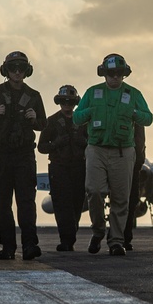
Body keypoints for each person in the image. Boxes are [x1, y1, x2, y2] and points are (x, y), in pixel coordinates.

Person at [73, 53, 153, 257]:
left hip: (123, 152)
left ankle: (116, 241)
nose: (115, 77)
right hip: (96, 149)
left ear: (124, 74)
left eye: (119, 73)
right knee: (94, 190)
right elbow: (76, 117)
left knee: (121, 198)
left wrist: (135, 114)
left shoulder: (133, 94)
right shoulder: (92, 93)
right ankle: (98, 230)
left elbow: (148, 118)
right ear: (104, 74)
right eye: (111, 73)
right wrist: (90, 112)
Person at [0, 51, 46, 261]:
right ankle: (7, 246)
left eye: (21, 68)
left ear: (27, 71)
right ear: (6, 70)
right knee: (2, 202)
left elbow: (43, 124)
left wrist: (34, 120)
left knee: (26, 202)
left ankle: (29, 245)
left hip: (24, 155)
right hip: (1, 154)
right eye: (13, 68)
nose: (17, 72)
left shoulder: (34, 96)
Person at [37, 84, 88, 252]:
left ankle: (71, 236)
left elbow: (92, 142)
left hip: (79, 167)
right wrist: (56, 144)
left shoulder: (82, 121)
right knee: (61, 204)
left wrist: (83, 143)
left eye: (70, 101)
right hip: (59, 168)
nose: (67, 104)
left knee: (77, 203)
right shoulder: (51, 122)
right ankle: (66, 239)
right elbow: (41, 147)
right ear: (59, 102)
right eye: (64, 101)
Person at [123, 124, 147, 252]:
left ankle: (125, 237)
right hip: (118, 160)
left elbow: (140, 138)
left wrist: (139, 160)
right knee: (120, 200)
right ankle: (118, 237)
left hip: (134, 164)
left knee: (132, 201)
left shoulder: (136, 112)